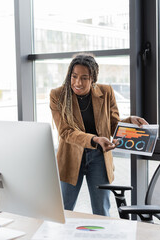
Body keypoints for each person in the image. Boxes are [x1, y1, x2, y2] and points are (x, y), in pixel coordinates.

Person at [49, 53, 148, 216]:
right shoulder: (58, 95)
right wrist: (94, 139)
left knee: (101, 211)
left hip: (99, 157)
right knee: (64, 211)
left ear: (93, 79)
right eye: (74, 76)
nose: (77, 82)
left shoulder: (106, 92)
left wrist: (130, 121)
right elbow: (66, 132)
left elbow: (113, 125)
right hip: (70, 157)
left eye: (84, 78)